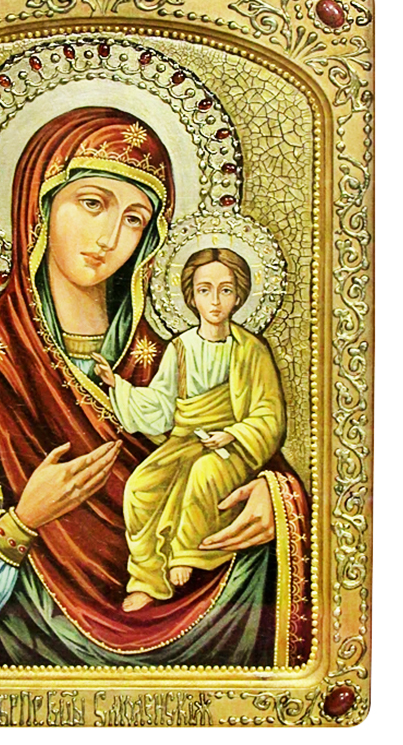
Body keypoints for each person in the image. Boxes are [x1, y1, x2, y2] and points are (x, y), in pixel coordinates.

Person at [0, 106, 311, 668]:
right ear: (38, 207)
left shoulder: (169, 350)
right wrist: (21, 524)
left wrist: (275, 501)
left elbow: (255, 443)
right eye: (92, 204)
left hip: (214, 621)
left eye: (135, 219)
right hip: (38, 645)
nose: (110, 238)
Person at [92, 248, 287, 613]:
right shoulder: (180, 348)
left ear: (239, 296)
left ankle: (185, 554)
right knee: (140, 487)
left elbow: (269, 413)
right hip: (184, 440)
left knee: (203, 473)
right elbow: (161, 405)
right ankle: (147, 580)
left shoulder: (252, 350)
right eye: (204, 290)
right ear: (191, 297)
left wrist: (234, 434)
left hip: (232, 447)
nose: (215, 301)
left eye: (225, 290)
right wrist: (118, 385)